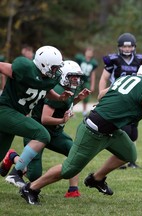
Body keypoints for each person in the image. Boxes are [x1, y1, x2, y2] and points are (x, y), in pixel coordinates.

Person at [19, 62, 142, 205]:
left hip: (111, 129)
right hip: (93, 130)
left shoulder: (124, 78)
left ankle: (96, 178)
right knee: (68, 169)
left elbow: (101, 95)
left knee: (129, 154)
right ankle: (31, 188)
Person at [0, 60, 91, 197]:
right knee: (34, 175)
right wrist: (62, 120)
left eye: (77, 77)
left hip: (55, 133)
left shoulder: (57, 85)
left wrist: (77, 99)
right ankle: (13, 158)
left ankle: (73, 190)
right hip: (38, 130)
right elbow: (45, 119)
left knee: (74, 154)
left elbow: (65, 104)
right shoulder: (56, 87)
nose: (76, 80)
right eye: (73, 76)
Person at [0, 45, 73, 188]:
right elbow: (2, 66)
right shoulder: (26, 69)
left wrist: (59, 98)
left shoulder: (46, 78)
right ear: (43, 64)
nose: (56, 71)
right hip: (5, 111)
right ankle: (16, 173)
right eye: (53, 67)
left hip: (15, 115)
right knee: (42, 134)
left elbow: (43, 89)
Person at [98, 32, 142, 169]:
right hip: (118, 98)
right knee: (123, 130)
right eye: (124, 47)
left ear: (134, 47)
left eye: (130, 47)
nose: (127, 49)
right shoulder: (113, 60)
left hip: (134, 98)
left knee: (133, 131)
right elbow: (104, 78)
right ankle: (121, 158)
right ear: (119, 47)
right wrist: (102, 95)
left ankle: (131, 160)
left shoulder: (140, 60)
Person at [74, 47, 98, 117]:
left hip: (86, 81)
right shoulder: (80, 59)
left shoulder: (93, 62)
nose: (89, 53)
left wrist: (92, 85)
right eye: (88, 52)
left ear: (92, 54)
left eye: (90, 52)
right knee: (74, 94)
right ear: (85, 52)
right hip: (79, 80)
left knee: (86, 96)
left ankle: (84, 112)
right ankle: (71, 110)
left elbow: (93, 74)